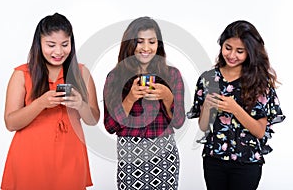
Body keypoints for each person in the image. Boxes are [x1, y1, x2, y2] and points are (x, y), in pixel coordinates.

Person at [1, 13, 100, 190]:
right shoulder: (22, 74)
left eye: (65, 44)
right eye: (51, 45)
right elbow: (10, 123)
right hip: (30, 157)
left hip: (70, 156)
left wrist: (80, 104)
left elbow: (93, 120)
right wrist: (40, 103)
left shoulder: (81, 73)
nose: (58, 52)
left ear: (71, 43)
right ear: (39, 44)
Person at [187, 20, 285, 190]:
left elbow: (260, 131)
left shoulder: (259, 83)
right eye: (227, 48)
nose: (232, 55)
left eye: (240, 51)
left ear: (250, 52)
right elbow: (204, 127)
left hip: (247, 162)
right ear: (221, 46)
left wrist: (235, 109)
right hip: (213, 159)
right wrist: (208, 108)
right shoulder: (208, 78)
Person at [103, 16, 185, 189]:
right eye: (140, 42)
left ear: (158, 45)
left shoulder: (172, 75)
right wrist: (130, 98)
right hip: (130, 156)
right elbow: (110, 126)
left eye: (152, 42)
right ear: (130, 44)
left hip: (164, 155)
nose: (146, 48)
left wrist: (167, 96)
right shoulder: (115, 77)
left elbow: (178, 122)